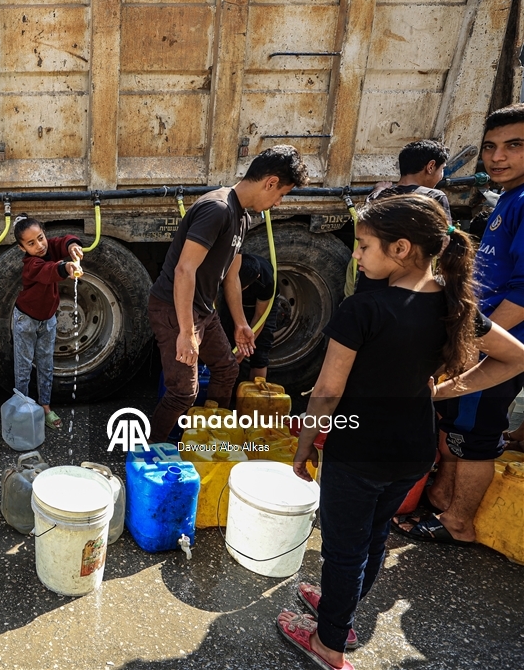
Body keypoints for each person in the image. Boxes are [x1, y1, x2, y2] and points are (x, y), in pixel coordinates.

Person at [279, 194, 524, 670]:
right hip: (413, 450)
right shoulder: (455, 304)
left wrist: (304, 444)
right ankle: (339, 608)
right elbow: (515, 356)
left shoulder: (363, 308)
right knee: (372, 540)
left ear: (401, 249)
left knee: (344, 551)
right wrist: (443, 392)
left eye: (364, 246)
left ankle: (330, 642)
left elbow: (327, 390)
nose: (356, 255)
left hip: (359, 450)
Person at [397, 103, 524, 545]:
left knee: (476, 433)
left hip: (500, 346)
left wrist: (475, 345)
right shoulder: (510, 197)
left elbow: (522, 295)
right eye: (490, 147)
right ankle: (443, 501)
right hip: (480, 337)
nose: (497, 156)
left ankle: (459, 523)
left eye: (513, 146)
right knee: (455, 424)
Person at [148, 145, 307, 442]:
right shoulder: (218, 209)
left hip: (203, 310)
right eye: (282, 193)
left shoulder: (242, 216)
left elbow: (230, 275)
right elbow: (184, 270)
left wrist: (240, 324)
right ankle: (147, 454)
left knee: (226, 369)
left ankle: (210, 438)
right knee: (184, 391)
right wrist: (185, 331)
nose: (279, 202)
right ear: (270, 182)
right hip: (173, 307)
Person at [348, 140, 452, 296]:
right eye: (442, 169)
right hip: (407, 291)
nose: (441, 176)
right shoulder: (433, 198)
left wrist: (378, 189)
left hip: (370, 288)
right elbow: (444, 245)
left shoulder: (380, 196)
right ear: (430, 167)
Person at [11, 214, 83, 429]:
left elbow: (64, 240)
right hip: (26, 320)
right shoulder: (30, 264)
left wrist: (72, 247)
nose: (39, 245)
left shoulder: (48, 247)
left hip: (48, 319)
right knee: (23, 368)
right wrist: (66, 268)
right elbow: (48, 271)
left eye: (40, 238)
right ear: (22, 248)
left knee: (46, 365)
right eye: (31, 243)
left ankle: (45, 407)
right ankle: (20, 409)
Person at [217, 253, 280, 381]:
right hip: (231, 303)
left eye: (241, 288)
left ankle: (255, 393)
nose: (237, 290)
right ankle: (226, 390)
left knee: (259, 349)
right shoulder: (226, 269)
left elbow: (260, 316)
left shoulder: (265, 281)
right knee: (226, 343)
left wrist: (245, 347)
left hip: (262, 306)